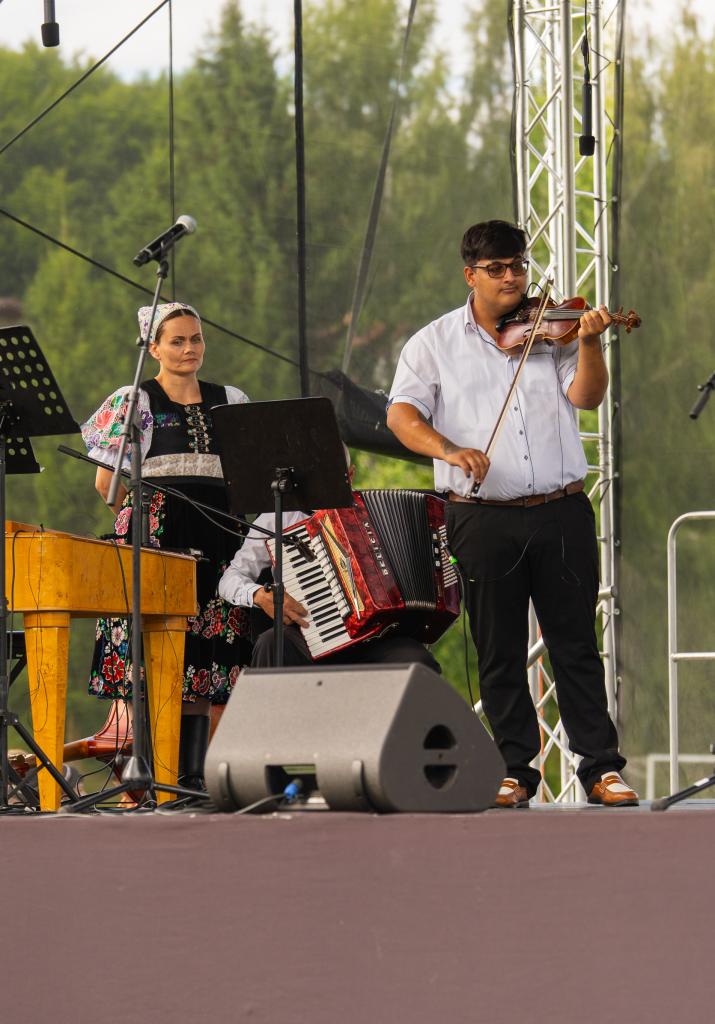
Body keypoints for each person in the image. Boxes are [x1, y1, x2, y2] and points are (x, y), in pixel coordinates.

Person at [386, 219, 638, 808]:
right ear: (469, 275)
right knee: (498, 649)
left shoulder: (554, 329)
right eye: (497, 269)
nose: (512, 278)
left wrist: (590, 341)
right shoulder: (433, 343)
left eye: (519, 266)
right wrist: (449, 450)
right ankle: (515, 770)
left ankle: (600, 768)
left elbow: (587, 396)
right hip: (481, 516)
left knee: (576, 643)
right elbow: (402, 415)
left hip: (560, 509)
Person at [81, 302, 253, 790]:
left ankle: (190, 778)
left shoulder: (230, 399)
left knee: (203, 652)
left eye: (196, 339)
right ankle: (154, 774)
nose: (189, 349)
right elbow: (106, 484)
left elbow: (248, 471)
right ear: (153, 348)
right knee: (155, 651)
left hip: (219, 535)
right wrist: (144, 521)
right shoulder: (135, 400)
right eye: (176, 341)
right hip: (158, 534)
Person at [218, 455, 441, 673]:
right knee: (272, 644)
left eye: (332, 473)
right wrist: (259, 595)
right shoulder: (280, 518)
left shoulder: (375, 513)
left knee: (419, 662)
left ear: (350, 475)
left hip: (377, 636)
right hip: (309, 634)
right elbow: (229, 579)